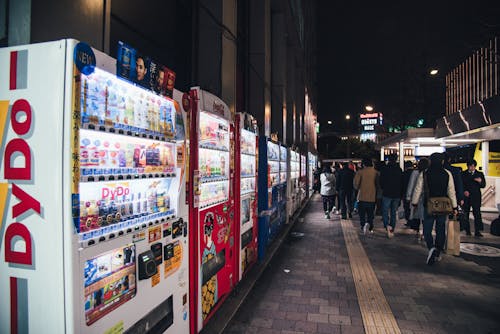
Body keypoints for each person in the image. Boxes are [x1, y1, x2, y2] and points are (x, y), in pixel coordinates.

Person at [411, 153, 458, 265]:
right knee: (440, 229)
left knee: (427, 229)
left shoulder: (425, 173)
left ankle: (431, 247)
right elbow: (451, 191)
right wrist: (455, 206)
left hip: (429, 204)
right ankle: (437, 252)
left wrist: (414, 202)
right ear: (442, 161)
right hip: (443, 205)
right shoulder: (447, 174)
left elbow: (418, 189)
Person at [379, 154, 403, 238]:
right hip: (396, 194)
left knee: (385, 210)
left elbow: (381, 181)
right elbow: (401, 183)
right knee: (393, 211)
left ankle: (387, 226)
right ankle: (392, 227)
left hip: (387, 193)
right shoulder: (399, 169)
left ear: (388, 160)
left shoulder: (385, 169)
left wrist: (384, 187)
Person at [461, 159, 486, 237]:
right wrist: (464, 191)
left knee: (477, 213)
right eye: (470, 166)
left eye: (473, 166)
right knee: (466, 213)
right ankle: (467, 230)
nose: (471, 168)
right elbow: (461, 184)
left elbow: (483, 185)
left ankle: (477, 231)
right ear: (467, 166)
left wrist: (480, 181)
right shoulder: (463, 174)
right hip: (467, 197)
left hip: (476, 196)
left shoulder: (479, 174)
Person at [406, 158, 429, 237]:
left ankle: (418, 230)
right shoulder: (428, 173)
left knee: (417, 215)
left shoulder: (415, 173)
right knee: (424, 216)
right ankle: (423, 231)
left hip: (416, 197)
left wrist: (408, 196)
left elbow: (411, 185)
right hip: (426, 197)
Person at [354, 158, 378, 233]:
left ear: (363, 164)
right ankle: (370, 226)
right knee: (370, 213)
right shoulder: (376, 172)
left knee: (362, 214)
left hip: (362, 197)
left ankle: (363, 225)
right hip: (372, 197)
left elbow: (356, 185)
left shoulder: (360, 172)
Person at [402, 161, 415, 226]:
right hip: (414, 193)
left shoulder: (404, 173)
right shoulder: (416, 173)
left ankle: (408, 220)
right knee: (413, 208)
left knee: (407, 208)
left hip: (405, 192)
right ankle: (413, 221)